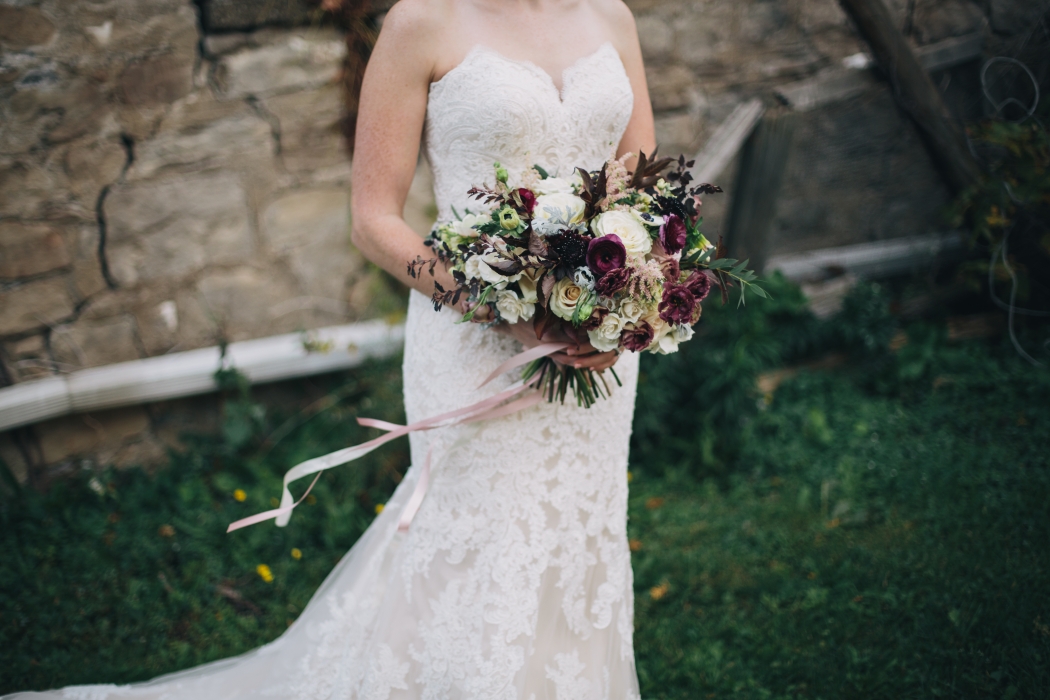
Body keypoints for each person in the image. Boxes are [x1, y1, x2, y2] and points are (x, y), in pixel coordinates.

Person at [5, 0, 655, 697]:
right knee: (479, 530)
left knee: (576, 527)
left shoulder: (611, 17)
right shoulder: (422, 22)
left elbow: (645, 190)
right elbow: (373, 220)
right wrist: (497, 308)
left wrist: (623, 314)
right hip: (472, 340)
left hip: (596, 344)